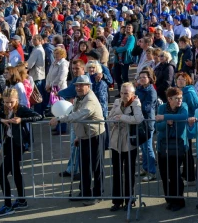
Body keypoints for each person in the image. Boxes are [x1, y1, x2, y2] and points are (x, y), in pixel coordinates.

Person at [50, 74, 105, 206]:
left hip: (95, 135)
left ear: (88, 86)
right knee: (84, 165)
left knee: (96, 166)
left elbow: (79, 115)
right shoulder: (79, 98)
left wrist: (59, 119)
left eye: (81, 85)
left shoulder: (90, 99)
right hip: (84, 136)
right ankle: (84, 192)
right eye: (77, 86)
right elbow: (74, 114)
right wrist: (78, 137)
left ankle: (98, 194)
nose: (79, 88)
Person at [0, 88, 42, 217]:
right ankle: (22, 200)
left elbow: (38, 116)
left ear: (16, 100)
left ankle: (7, 205)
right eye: (6, 102)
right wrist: (3, 120)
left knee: (1, 173)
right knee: (15, 171)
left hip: (18, 144)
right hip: (8, 143)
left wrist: (21, 120)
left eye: (11, 102)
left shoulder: (21, 109)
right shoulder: (4, 109)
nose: (9, 105)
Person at [107, 82, 144, 212]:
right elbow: (109, 117)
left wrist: (122, 117)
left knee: (129, 172)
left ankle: (130, 200)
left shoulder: (136, 103)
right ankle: (117, 201)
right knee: (116, 172)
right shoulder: (117, 102)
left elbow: (139, 118)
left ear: (132, 93)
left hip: (129, 142)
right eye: (122, 93)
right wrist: (114, 121)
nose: (123, 95)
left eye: (126, 93)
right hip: (115, 140)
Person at [155, 87, 189, 211]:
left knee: (175, 174)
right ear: (169, 99)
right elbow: (157, 126)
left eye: (180, 98)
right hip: (163, 145)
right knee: (165, 174)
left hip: (178, 145)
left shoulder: (183, 106)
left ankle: (179, 200)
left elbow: (184, 116)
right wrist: (166, 122)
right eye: (176, 98)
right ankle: (169, 199)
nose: (180, 100)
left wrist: (164, 117)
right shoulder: (162, 107)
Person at [175, 72, 198, 186]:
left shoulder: (189, 93)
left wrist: (192, 120)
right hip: (181, 125)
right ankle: (185, 174)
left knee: (187, 152)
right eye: (178, 79)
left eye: (182, 79)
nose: (180, 81)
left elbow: (197, 107)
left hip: (187, 125)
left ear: (187, 81)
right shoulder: (178, 91)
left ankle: (190, 177)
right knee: (184, 151)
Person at [136, 68, 158, 181]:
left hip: (148, 121)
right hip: (139, 121)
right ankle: (145, 168)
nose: (142, 79)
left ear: (149, 78)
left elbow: (147, 107)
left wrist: (135, 107)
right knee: (143, 147)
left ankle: (152, 171)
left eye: (144, 77)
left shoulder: (151, 91)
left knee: (148, 147)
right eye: (140, 77)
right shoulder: (138, 89)